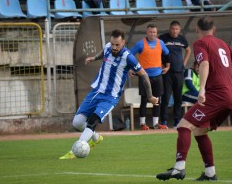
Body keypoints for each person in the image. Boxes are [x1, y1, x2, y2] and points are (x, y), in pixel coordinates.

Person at [156, 16, 232, 181]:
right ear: (214, 29)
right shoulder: (223, 44)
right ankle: (210, 173)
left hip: (217, 95)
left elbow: (204, 64)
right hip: (231, 97)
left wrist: (202, 90)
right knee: (199, 131)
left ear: (197, 29)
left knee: (183, 126)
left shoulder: (200, 43)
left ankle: (179, 168)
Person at [59, 29, 159, 159]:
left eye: (117, 45)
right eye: (112, 44)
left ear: (123, 42)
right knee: (77, 123)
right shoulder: (108, 47)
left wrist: (150, 96)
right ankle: (95, 138)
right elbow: (104, 53)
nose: (114, 47)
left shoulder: (128, 57)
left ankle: (76, 149)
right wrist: (94, 58)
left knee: (93, 120)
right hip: (96, 91)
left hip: (110, 97)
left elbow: (144, 75)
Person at [130, 24, 170, 130]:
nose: (153, 34)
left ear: (156, 33)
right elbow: (129, 55)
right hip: (144, 75)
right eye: (151, 32)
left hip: (158, 75)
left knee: (157, 99)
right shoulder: (140, 44)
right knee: (144, 99)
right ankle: (143, 124)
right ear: (147, 32)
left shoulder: (160, 43)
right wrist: (131, 68)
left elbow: (167, 53)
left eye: (154, 32)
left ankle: (156, 124)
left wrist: (167, 66)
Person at [159, 21, 191, 128]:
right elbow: (156, 51)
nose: (174, 31)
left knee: (178, 98)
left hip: (179, 72)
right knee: (166, 98)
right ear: (169, 28)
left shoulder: (182, 39)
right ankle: (163, 121)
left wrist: (184, 63)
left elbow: (188, 50)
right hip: (167, 73)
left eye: (177, 29)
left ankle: (177, 121)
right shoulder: (162, 38)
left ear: (180, 30)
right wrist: (161, 65)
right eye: (173, 29)